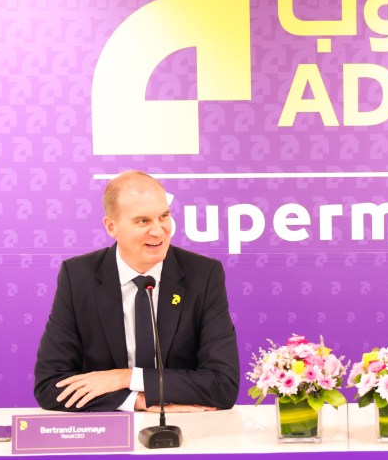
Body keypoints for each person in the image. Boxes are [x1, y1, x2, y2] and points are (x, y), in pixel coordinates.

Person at [33, 171, 239, 412]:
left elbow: (222, 385)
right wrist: (137, 400)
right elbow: (51, 386)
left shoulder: (203, 275)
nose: (159, 231)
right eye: (143, 221)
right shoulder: (78, 277)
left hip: (186, 426)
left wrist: (125, 377)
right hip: (110, 428)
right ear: (111, 226)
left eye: (164, 216)